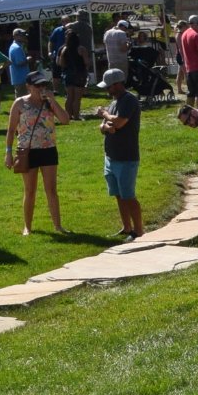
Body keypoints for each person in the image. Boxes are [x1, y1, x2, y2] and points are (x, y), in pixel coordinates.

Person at [5, 70, 69, 234]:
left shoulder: (48, 102)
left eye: (43, 85)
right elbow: (11, 130)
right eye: (37, 85)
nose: (41, 88)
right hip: (27, 152)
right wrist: (8, 152)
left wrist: (53, 100)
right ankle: (28, 226)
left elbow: (65, 120)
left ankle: (58, 225)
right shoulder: (20, 103)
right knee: (30, 190)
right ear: (28, 86)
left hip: (48, 149)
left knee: (52, 190)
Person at [96, 67, 144, 238]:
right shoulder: (114, 102)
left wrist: (105, 115)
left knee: (128, 196)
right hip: (111, 157)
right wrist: (106, 126)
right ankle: (126, 227)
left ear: (117, 84)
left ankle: (138, 230)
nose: (107, 90)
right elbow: (104, 126)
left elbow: (120, 122)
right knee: (118, 195)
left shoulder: (129, 100)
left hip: (126, 158)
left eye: (109, 87)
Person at [60, 19, 89, 120]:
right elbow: (86, 62)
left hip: (68, 74)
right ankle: (76, 116)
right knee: (77, 98)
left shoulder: (64, 49)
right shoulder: (81, 49)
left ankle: (68, 116)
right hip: (79, 74)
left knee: (69, 97)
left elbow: (61, 63)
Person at [6, 27, 32, 99]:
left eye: (24, 35)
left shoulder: (16, 46)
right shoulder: (16, 48)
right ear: (15, 36)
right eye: (21, 35)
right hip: (20, 78)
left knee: (21, 99)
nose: (24, 36)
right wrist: (27, 59)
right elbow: (19, 63)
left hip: (19, 78)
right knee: (22, 100)